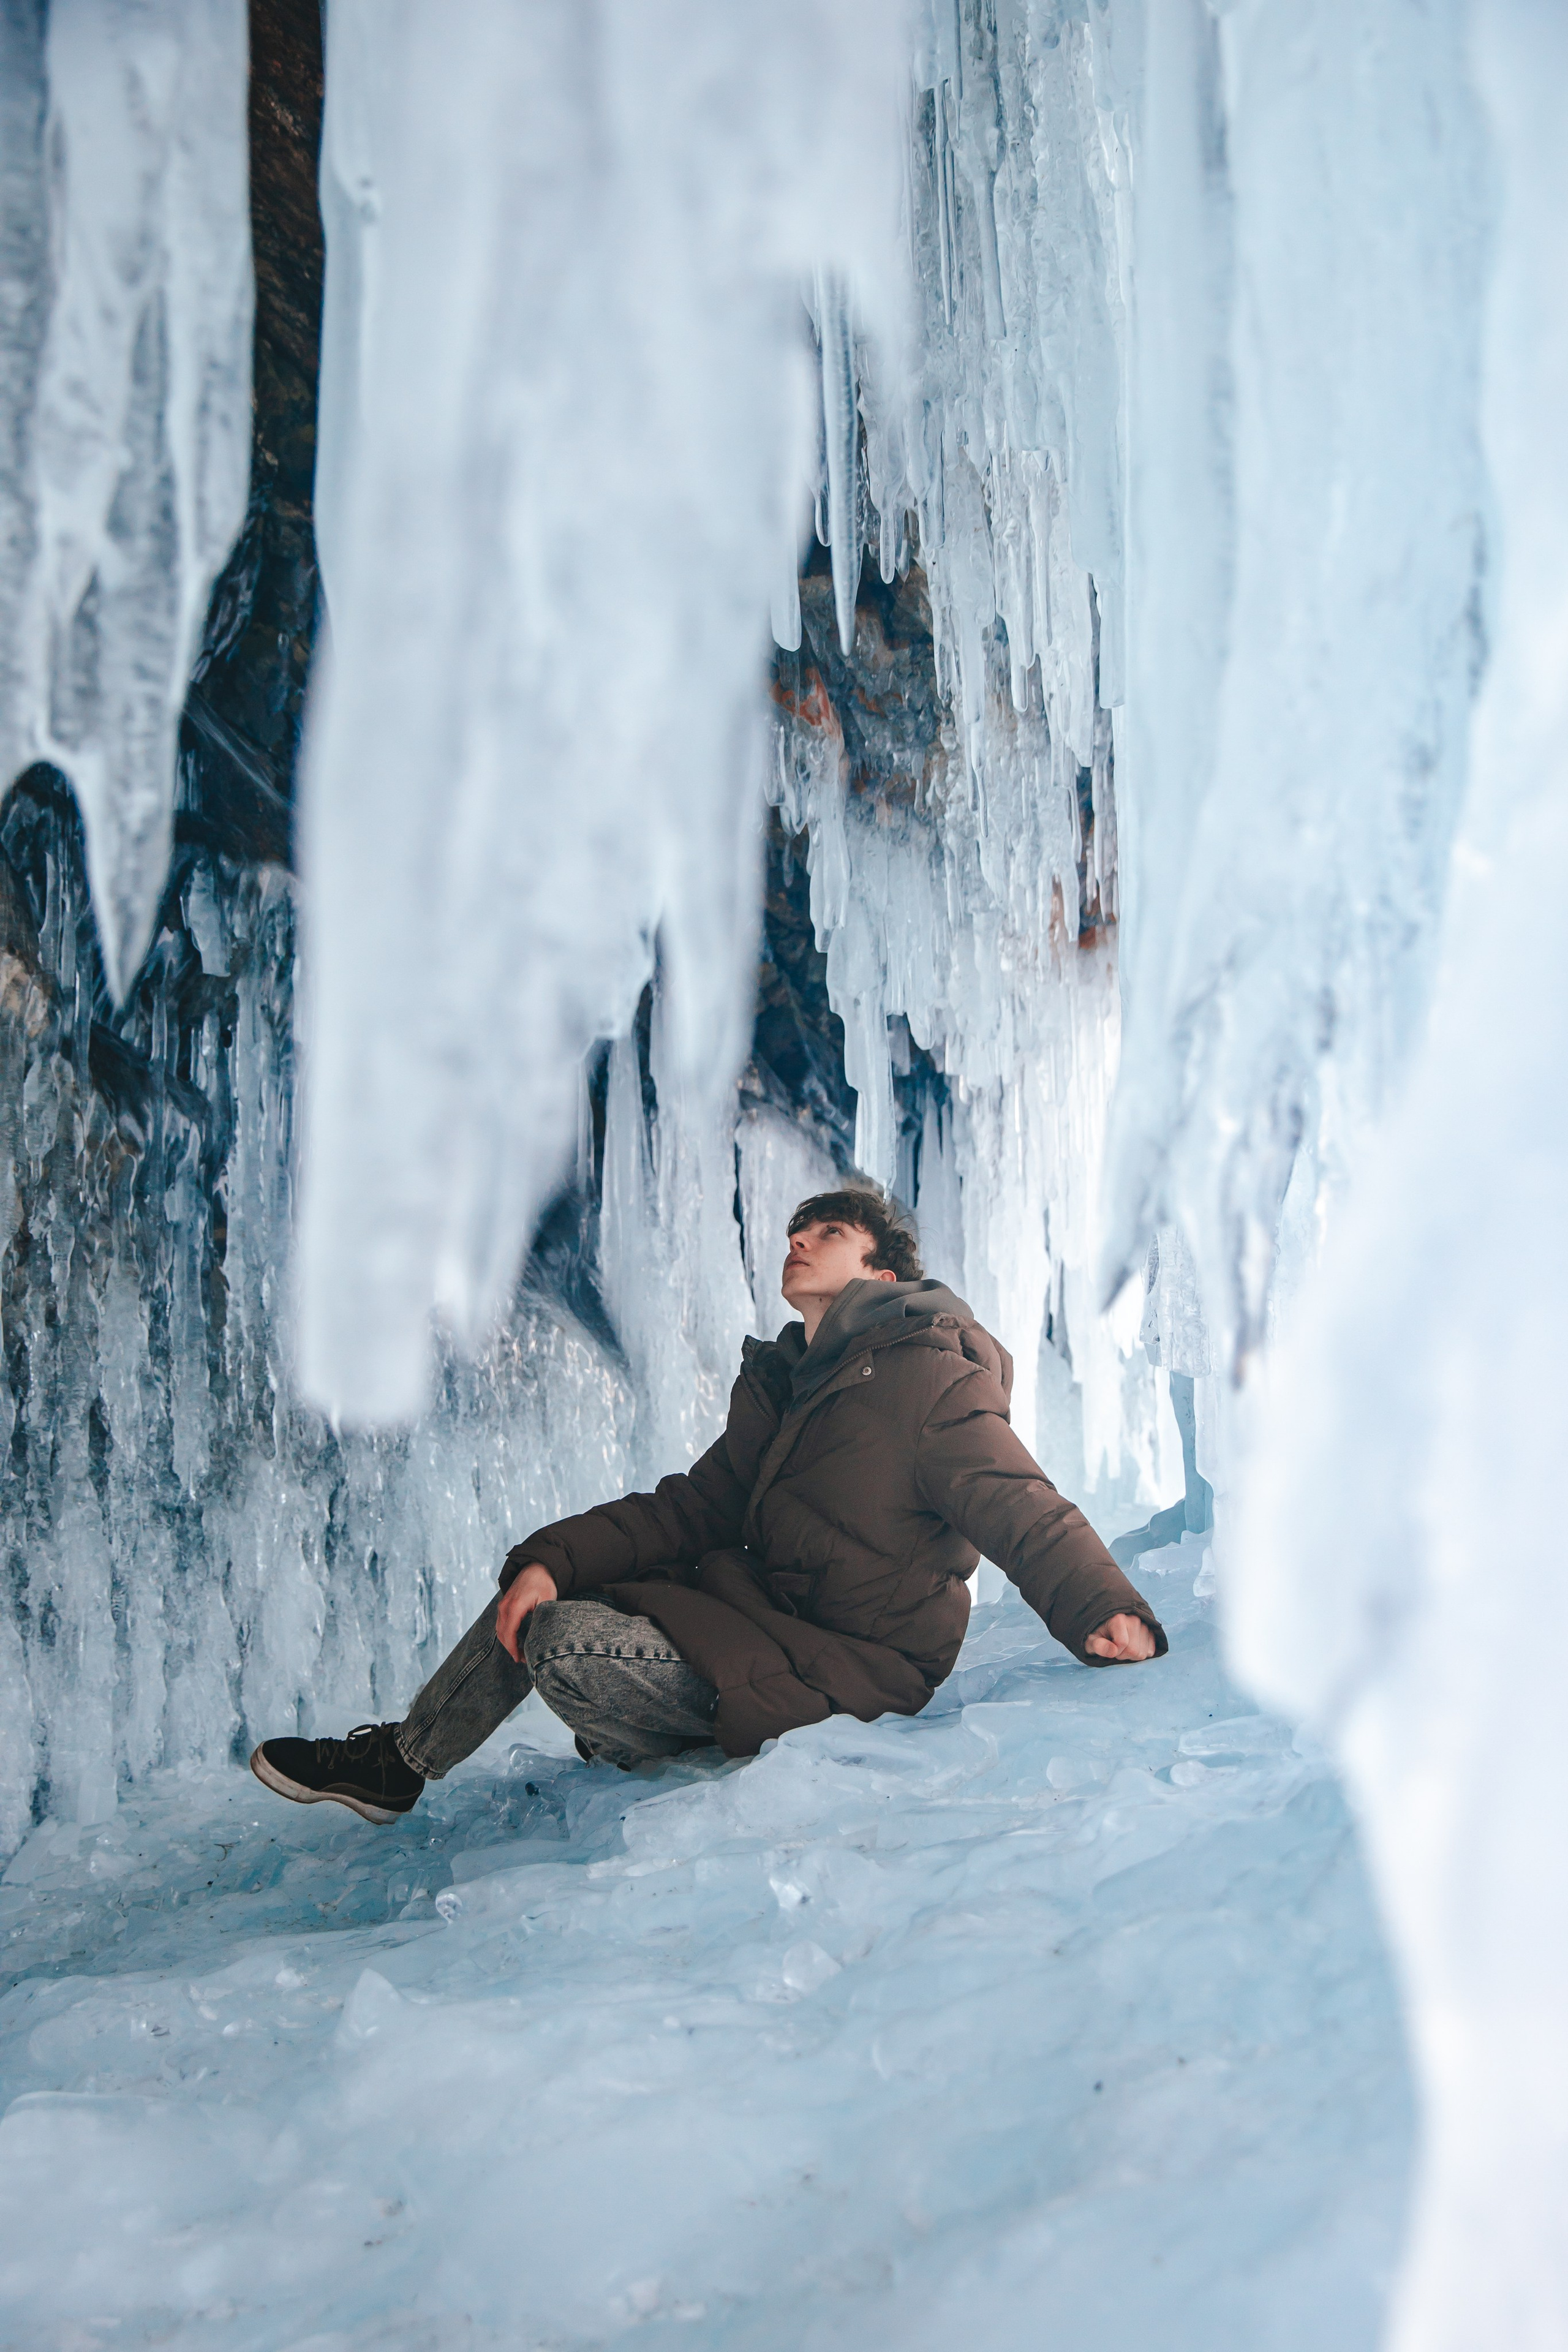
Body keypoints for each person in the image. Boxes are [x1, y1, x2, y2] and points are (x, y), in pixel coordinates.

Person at [251, 1188, 1166, 1824]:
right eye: (794, 1228)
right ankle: (397, 1766)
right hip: (758, 1626)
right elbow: (691, 1509)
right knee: (543, 1597)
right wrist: (550, 1557)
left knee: (567, 1641)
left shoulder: (930, 1376)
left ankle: (654, 1740)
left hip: (852, 1666)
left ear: (883, 1277)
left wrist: (1105, 1609)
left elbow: (1020, 1504)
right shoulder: (788, 1387)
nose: (797, 1239)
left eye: (828, 1230)